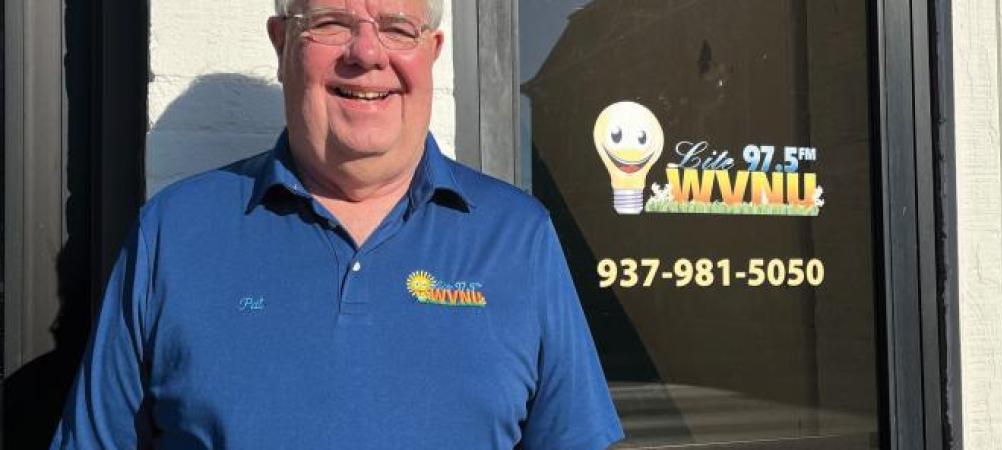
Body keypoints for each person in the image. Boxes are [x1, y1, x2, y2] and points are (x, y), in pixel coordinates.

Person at [50, 0, 623, 448]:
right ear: (281, 44)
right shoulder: (173, 235)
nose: (367, 52)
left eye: (398, 27)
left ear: (434, 51)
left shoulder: (518, 237)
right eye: (330, 22)